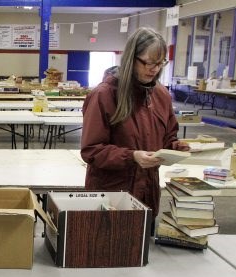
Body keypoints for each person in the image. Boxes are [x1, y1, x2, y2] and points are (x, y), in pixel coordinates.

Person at [80, 27, 189, 223]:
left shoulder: (161, 95)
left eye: (160, 63)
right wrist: (132, 156)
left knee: (143, 250)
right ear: (132, 58)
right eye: (148, 62)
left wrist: (181, 148)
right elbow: (92, 150)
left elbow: (168, 138)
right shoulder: (104, 95)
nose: (154, 69)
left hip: (147, 193)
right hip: (113, 195)